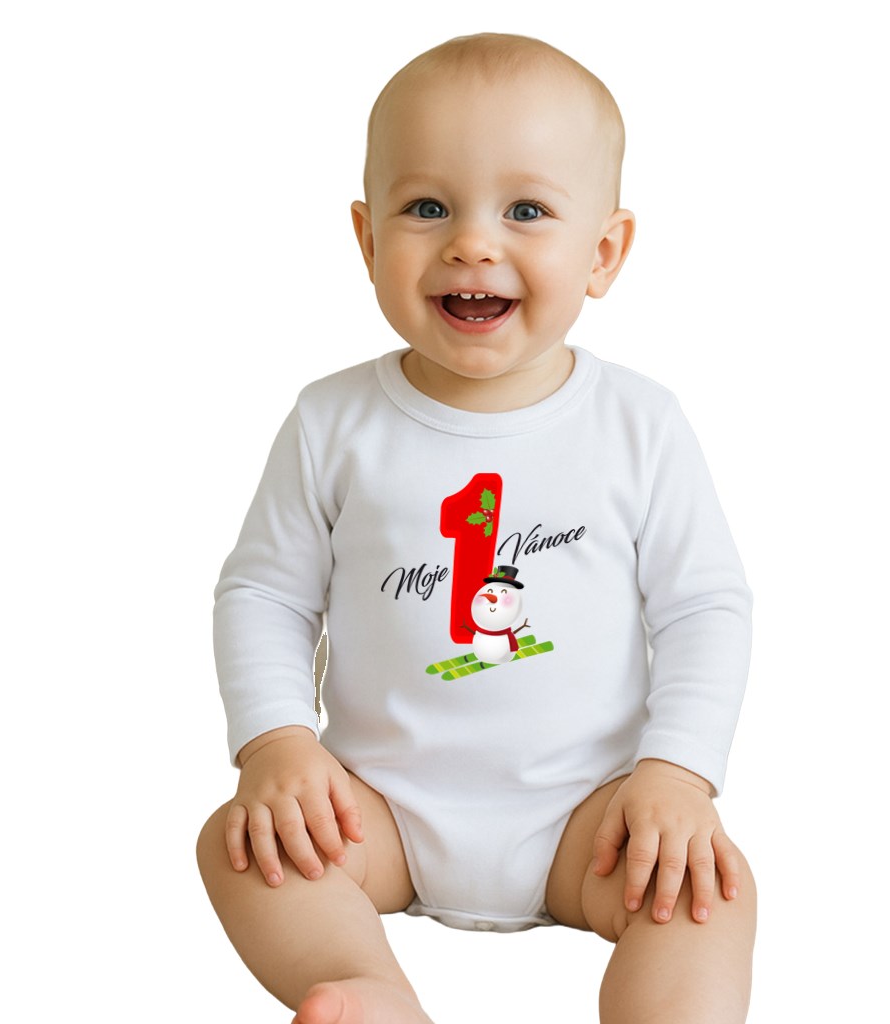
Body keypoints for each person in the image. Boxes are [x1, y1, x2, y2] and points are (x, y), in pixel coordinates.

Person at [197, 32, 757, 1024]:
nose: (471, 244)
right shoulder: (333, 422)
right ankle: (373, 989)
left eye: (525, 211)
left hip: (592, 818)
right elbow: (264, 594)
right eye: (427, 207)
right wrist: (276, 744)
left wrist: (677, 775)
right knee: (241, 842)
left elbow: (703, 607)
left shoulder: (639, 424)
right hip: (375, 811)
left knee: (709, 886)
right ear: (367, 239)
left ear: (604, 253)